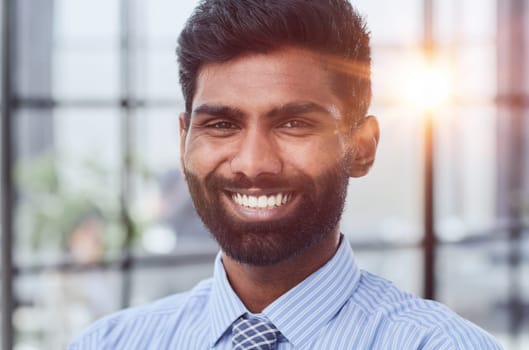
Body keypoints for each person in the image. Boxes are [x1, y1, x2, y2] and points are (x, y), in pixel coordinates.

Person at [69, 0, 503, 349]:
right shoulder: (108, 342)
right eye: (222, 124)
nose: (253, 163)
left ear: (363, 147)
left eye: (294, 124)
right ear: (185, 140)